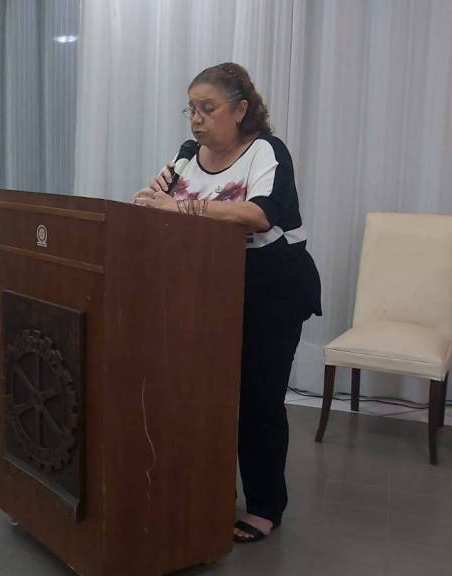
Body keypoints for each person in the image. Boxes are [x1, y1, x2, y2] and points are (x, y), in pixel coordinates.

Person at [133, 63, 321, 544]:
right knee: (202, 394)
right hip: (205, 289)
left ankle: (264, 507)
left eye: (207, 108)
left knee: (258, 398)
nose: (196, 120)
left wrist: (180, 207)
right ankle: (204, 489)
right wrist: (147, 204)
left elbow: (260, 214)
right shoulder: (186, 156)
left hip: (271, 291)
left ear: (240, 110)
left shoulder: (266, 151)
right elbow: (159, 209)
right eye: (191, 110)